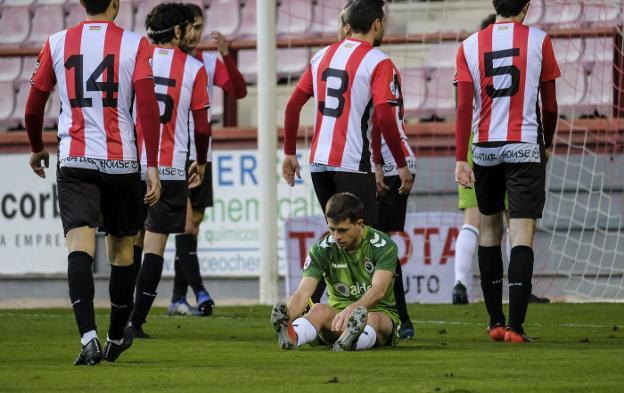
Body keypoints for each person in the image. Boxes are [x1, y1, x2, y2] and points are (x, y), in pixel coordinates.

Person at [24, 0, 162, 365]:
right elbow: (148, 108)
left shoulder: (56, 42)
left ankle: (88, 337)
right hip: (122, 162)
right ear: (115, 4)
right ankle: (116, 335)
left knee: (78, 246)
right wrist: (152, 166)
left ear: (82, 3)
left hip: (75, 159)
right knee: (122, 251)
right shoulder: (136, 44)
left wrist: (37, 147)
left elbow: (33, 106)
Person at [283, 0, 415, 339]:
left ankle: (306, 313)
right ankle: (394, 321)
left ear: (346, 25)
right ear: (375, 24)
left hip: (318, 163)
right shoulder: (378, 60)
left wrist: (288, 153)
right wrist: (399, 164)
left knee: (335, 235)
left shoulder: (322, 55)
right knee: (372, 241)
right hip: (351, 162)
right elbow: (384, 117)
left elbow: (293, 103)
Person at [454, 0, 559, 342]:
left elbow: (462, 106)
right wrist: (548, 139)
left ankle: (495, 321)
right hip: (524, 145)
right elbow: (551, 105)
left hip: (484, 148)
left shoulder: (469, 45)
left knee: (488, 230)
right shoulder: (539, 40)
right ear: (526, 6)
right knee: (522, 233)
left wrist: (460, 157)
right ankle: (515, 326)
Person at [128, 3, 211, 338]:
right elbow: (202, 127)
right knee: (155, 246)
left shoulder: (134, 59)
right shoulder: (192, 67)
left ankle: (120, 316)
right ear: (177, 32)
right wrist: (201, 162)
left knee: (128, 241)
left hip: (130, 163)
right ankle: (136, 321)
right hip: (170, 168)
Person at [165, 2, 248, 317]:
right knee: (174, 228)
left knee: (192, 225)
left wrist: (226, 54)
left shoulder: (207, 62)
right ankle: (197, 291)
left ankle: (177, 298)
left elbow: (238, 91)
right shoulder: (162, 60)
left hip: (201, 154)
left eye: (200, 28)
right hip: (170, 154)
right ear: (179, 29)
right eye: (193, 28)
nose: (196, 34)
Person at [272, 192, 401, 351]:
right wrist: (287, 317)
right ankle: (292, 336)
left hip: (380, 315)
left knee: (372, 318)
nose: (336, 236)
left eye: (342, 230)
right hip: (339, 318)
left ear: (359, 224)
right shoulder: (321, 250)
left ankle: (354, 340)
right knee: (318, 309)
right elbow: (303, 293)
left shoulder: (384, 246)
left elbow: (379, 290)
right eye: (332, 229)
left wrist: (353, 309)